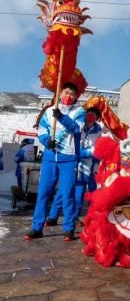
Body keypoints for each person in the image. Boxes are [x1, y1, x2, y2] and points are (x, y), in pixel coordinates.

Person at [25, 82, 84, 242]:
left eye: (71, 94)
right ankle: (37, 228)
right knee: (43, 193)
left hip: (68, 158)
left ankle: (69, 228)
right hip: (50, 158)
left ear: (76, 97)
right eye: (65, 92)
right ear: (60, 94)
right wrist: (46, 141)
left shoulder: (79, 111)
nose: (68, 96)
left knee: (67, 195)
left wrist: (62, 117)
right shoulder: (49, 111)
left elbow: (77, 129)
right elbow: (42, 130)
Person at [47, 107, 102, 227]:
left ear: (97, 118)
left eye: (94, 115)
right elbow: (71, 144)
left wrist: (86, 155)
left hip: (88, 167)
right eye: (89, 114)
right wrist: (83, 153)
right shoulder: (78, 126)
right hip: (71, 163)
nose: (90, 116)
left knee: (79, 193)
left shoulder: (99, 131)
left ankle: (75, 217)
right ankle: (52, 216)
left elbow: (97, 150)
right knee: (63, 190)